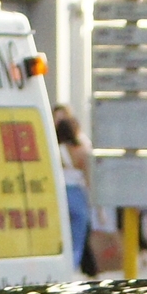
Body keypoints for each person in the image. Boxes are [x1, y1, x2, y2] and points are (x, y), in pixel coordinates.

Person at [54, 112, 93, 274]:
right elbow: (89, 178)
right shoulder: (81, 152)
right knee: (77, 238)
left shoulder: (55, 150)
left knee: (61, 236)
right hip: (77, 193)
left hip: (59, 194)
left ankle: (60, 268)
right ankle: (71, 269)